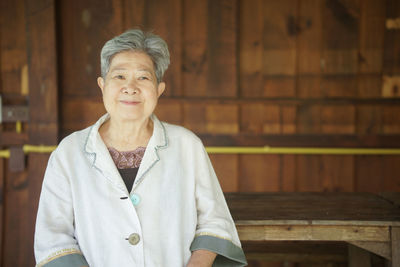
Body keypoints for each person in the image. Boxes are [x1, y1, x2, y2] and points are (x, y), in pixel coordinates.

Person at [34, 29, 247, 267]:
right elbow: (53, 237)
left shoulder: (187, 146)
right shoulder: (69, 152)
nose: (130, 87)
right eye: (120, 77)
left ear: (159, 89)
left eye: (143, 78)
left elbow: (214, 221)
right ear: (102, 85)